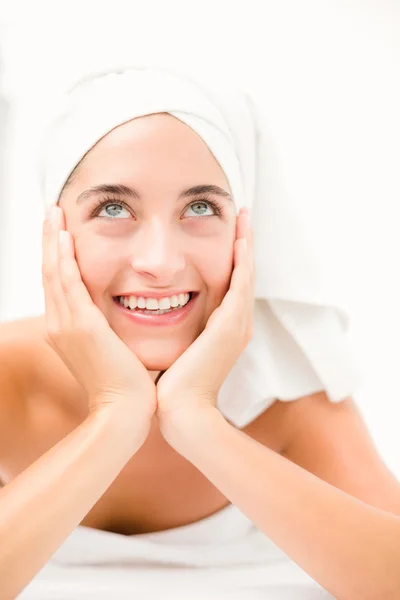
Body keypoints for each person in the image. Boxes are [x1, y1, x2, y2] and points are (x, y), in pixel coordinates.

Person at [0, 65, 399, 600]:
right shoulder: (8, 375)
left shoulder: (286, 396)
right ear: (56, 233)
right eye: (113, 208)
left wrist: (197, 420)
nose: (160, 262)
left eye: (201, 207)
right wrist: (116, 413)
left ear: (245, 233)